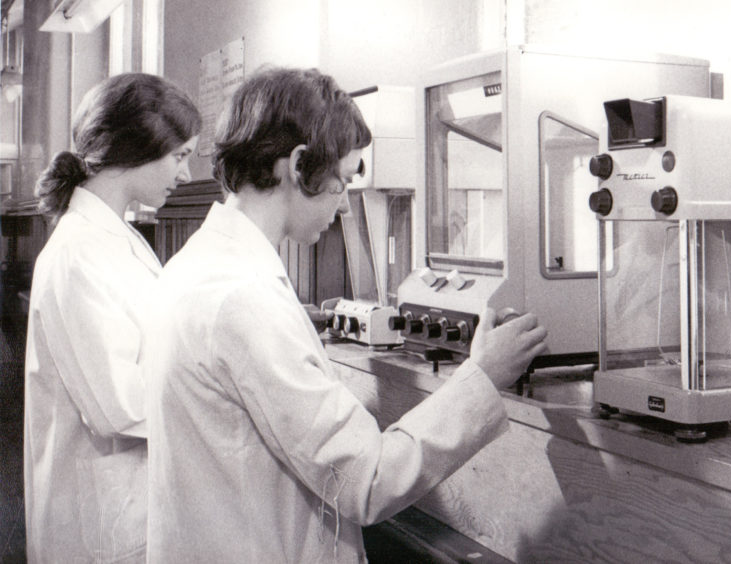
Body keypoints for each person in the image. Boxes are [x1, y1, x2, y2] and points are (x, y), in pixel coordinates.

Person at [145, 66, 548, 562]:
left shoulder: (197, 265)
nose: (342, 204)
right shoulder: (243, 299)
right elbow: (366, 481)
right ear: (297, 166)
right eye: (342, 180)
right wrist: (483, 377)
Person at [24, 72, 200, 562]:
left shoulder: (115, 237)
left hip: (128, 504)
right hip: (96, 523)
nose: (185, 175)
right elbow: (118, 406)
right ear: (133, 149)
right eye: (180, 156)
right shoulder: (77, 253)